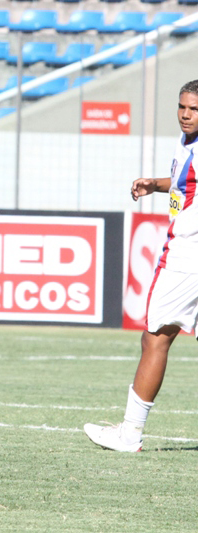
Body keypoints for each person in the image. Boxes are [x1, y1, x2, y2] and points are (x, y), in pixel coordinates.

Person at [84, 80, 198, 452]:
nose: (185, 114)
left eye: (193, 109)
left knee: (156, 337)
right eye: (182, 107)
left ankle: (130, 433)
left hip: (187, 255)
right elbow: (186, 185)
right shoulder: (187, 144)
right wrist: (156, 184)